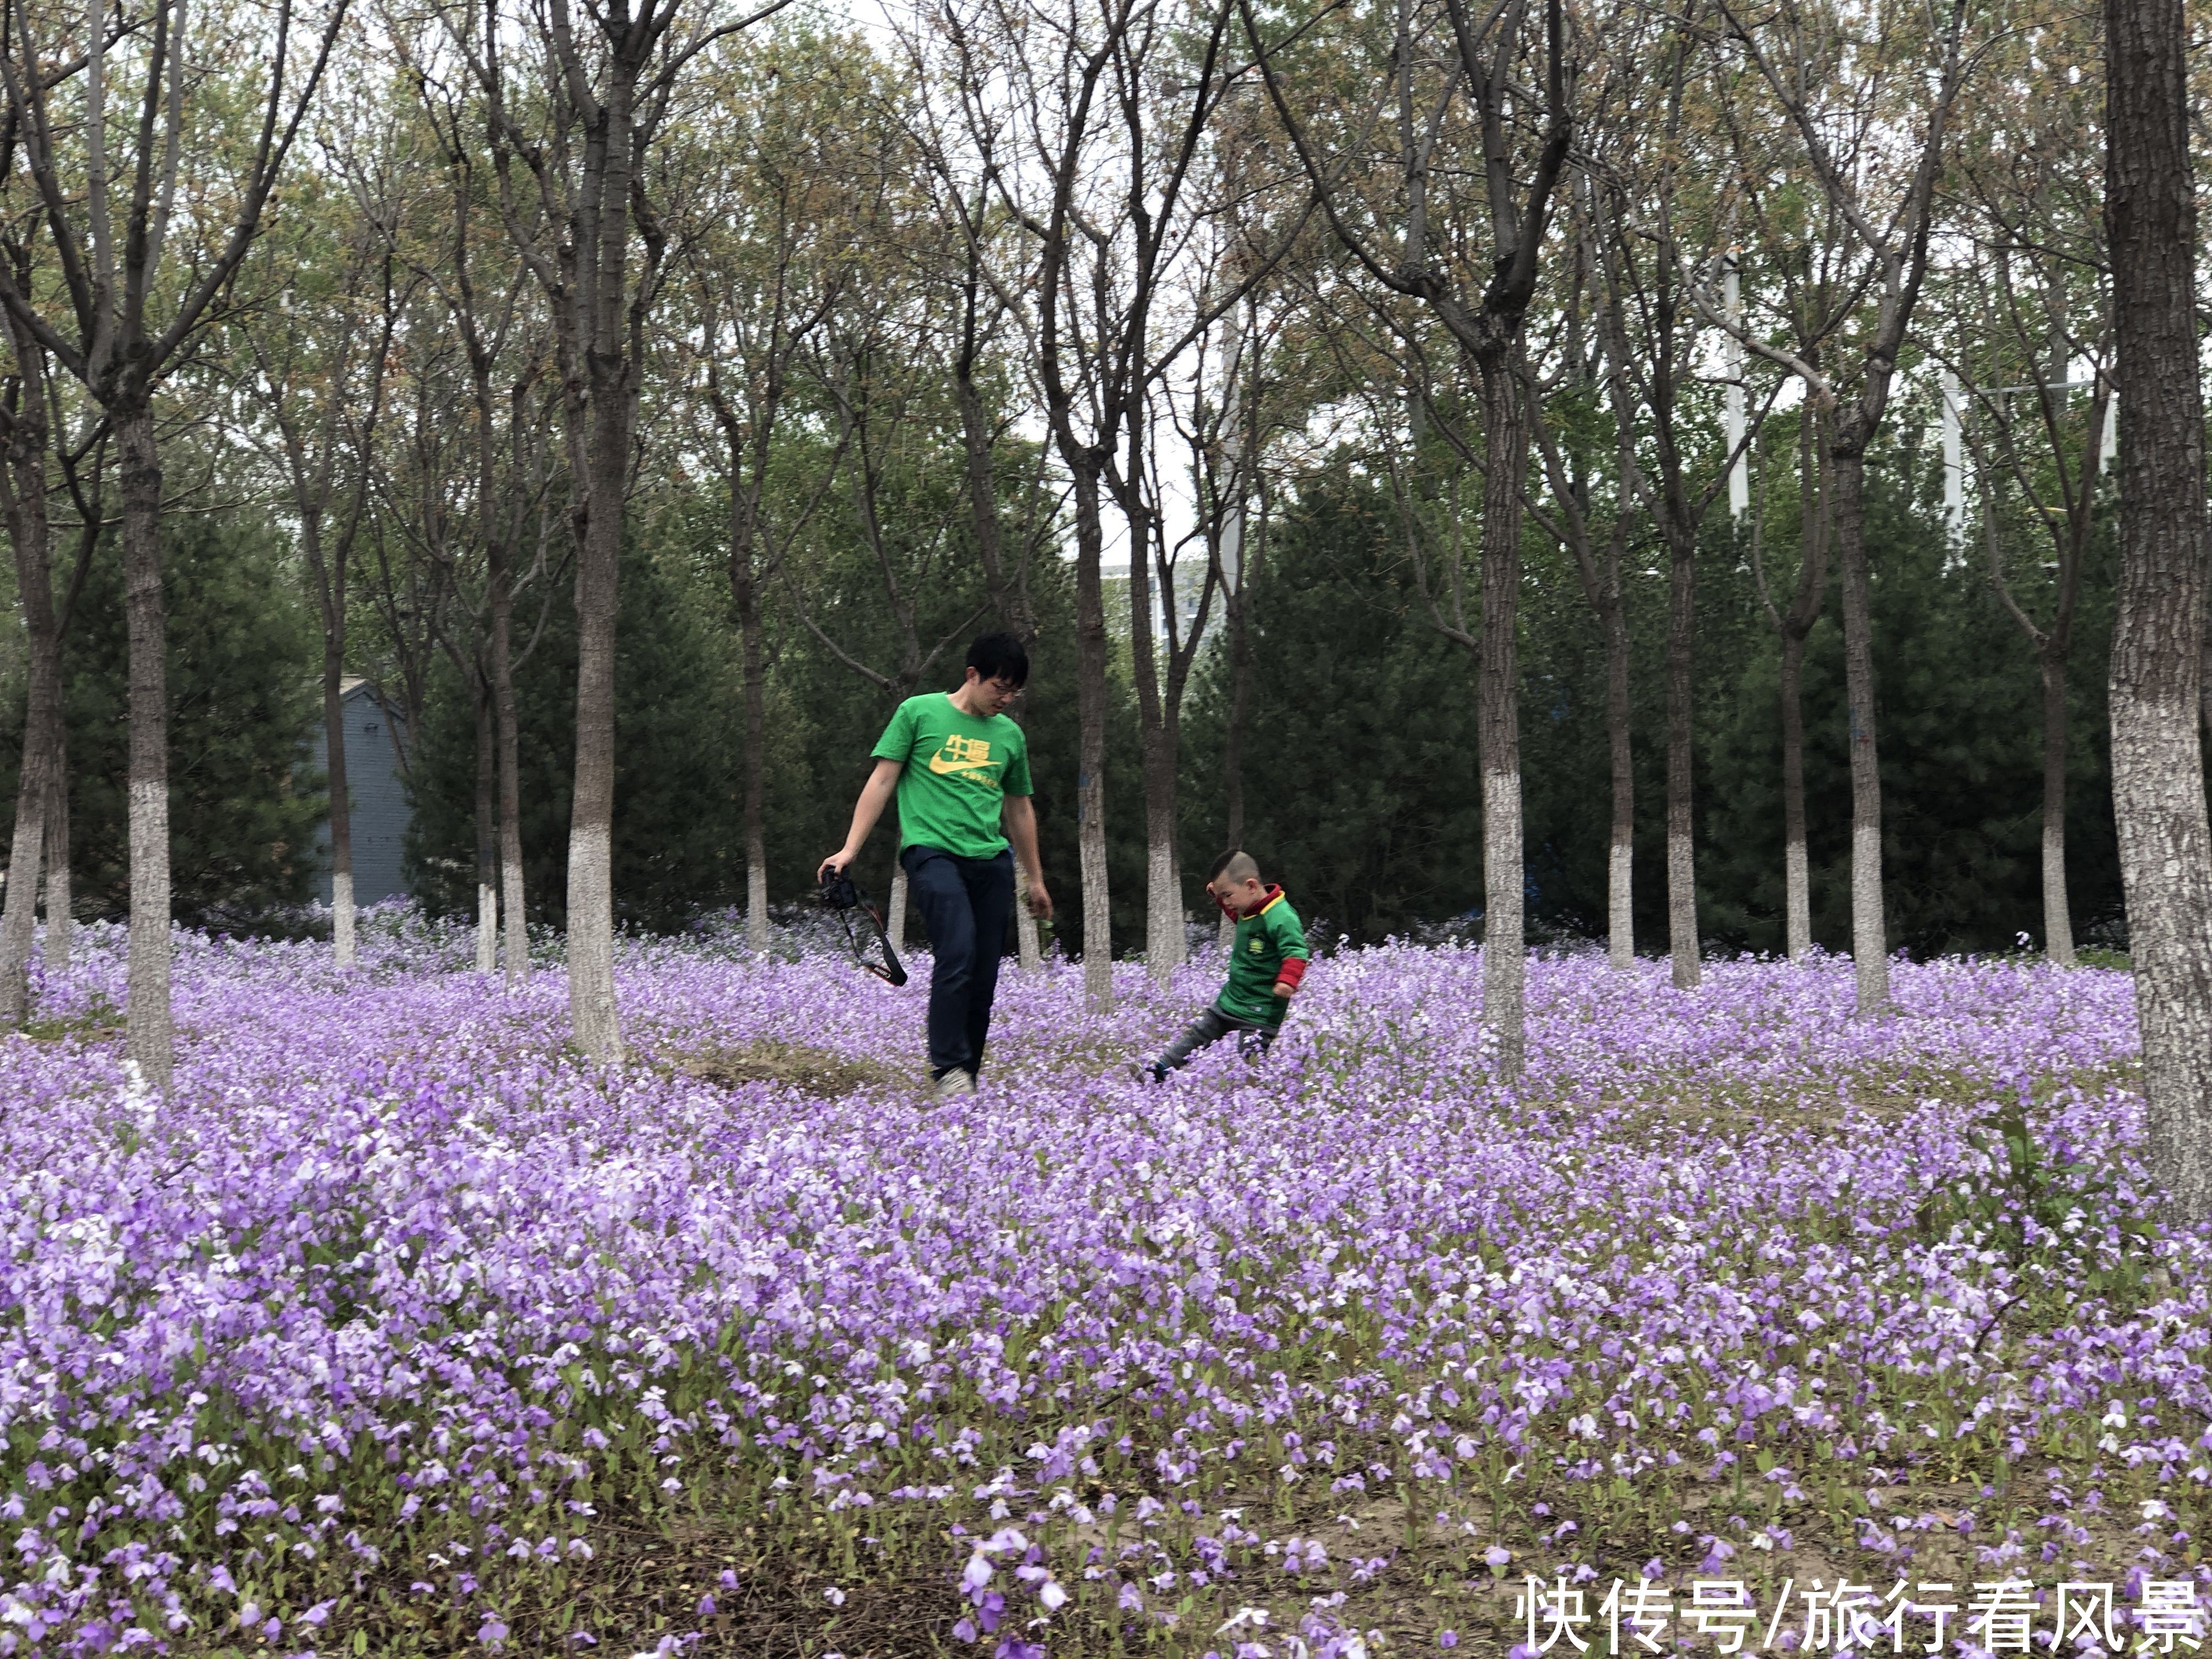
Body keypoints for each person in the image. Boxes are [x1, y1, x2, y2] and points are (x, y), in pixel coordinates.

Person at [819, 634, 1053, 1102]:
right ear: (972, 675)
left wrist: (1035, 878)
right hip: (931, 854)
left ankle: (966, 1074)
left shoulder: (1009, 736)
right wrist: (849, 850)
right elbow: (883, 779)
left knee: (984, 973)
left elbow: (1020, 809)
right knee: (959, 950)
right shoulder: (919, 713)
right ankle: (946, 1066)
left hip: (991, 861)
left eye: (1013, 693)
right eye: (999, 688)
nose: (1005, 700)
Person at [1139, 850, 1310, 1081]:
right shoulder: (1249, 908)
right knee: (1199, 1034)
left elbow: (1296, 952)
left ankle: (1256, 1098)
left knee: (1250, 1054)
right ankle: (1159, 1072)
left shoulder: (1281, 916)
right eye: (1223, 897)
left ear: (1251, 886)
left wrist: (1287, 981)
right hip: (1233, 998)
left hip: (1262, 1007)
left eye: (1228, 895)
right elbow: (1238, 915)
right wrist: (1219, 897)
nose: (1227, 902)